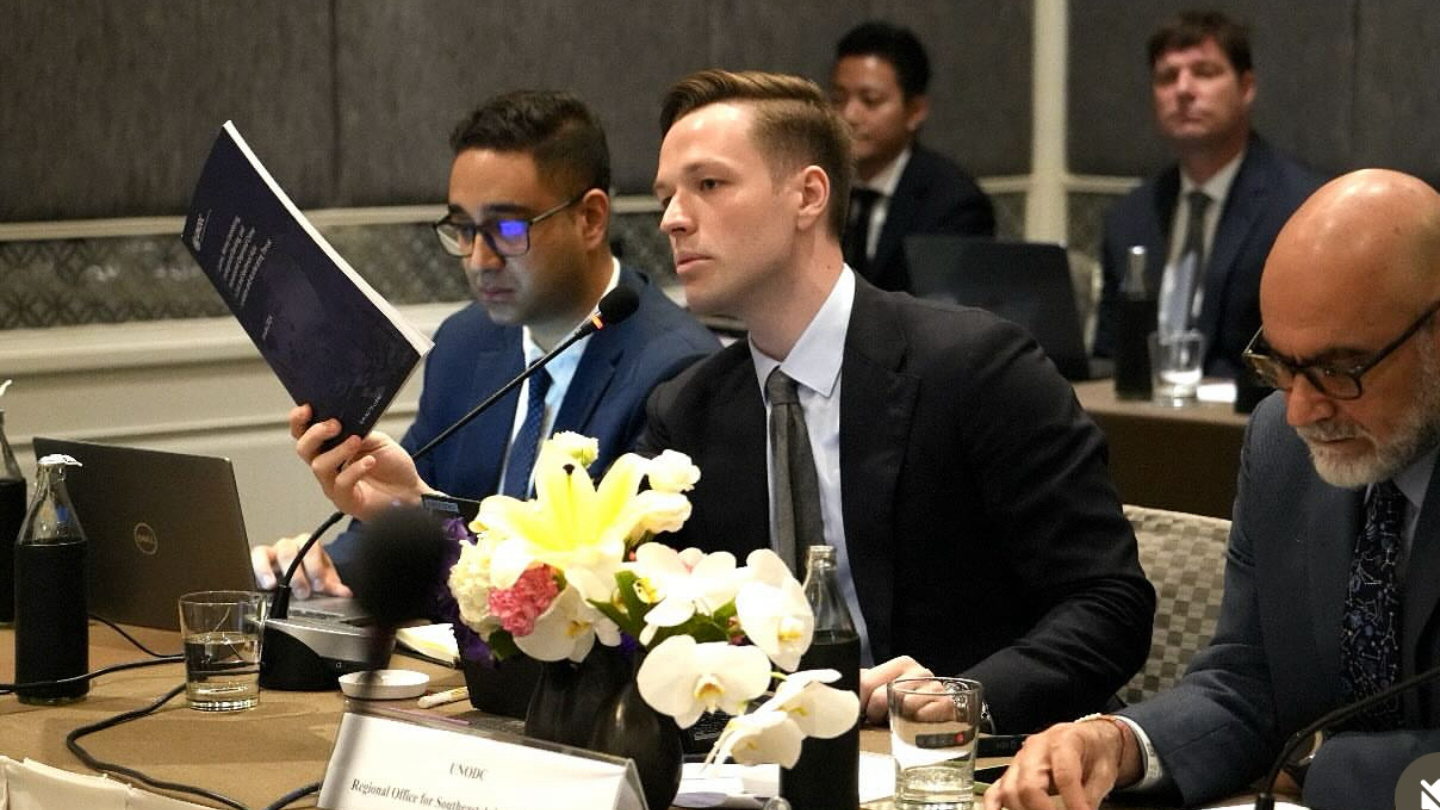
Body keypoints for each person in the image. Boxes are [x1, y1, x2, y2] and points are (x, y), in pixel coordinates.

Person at [640, 68, 1154, 733]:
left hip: (970, 765)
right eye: (666, 196)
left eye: (709, 185)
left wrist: (965, 695)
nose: (673, 220)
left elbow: (1109, 602)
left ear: (808, 196)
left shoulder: (976, 368)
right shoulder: (687, 410)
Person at [987, 169, 1440, 810]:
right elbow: (1247, 681)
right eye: (1280, 364)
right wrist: (1119, 744)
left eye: (1340, 369)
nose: (1302, 411)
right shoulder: (1281, 448)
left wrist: (1320, 766)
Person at [257, 90, 717, 596]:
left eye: (506, 228)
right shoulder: (464, 343)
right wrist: (324, 570)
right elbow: (410, 512)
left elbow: (608, 590)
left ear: (589, 219)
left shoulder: (676, 371)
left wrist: (424, 513)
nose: (479, 259)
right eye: (462, 229)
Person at [1091, 10, 1324, 378]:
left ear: (1246, 88)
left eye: (1204, 72)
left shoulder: (1300, 208)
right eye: (1167, 77)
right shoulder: (1129, 218)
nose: (1183, 90)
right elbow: (1107, 357)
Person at [829, 20, 995, 294]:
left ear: (915, 111)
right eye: (838, 99)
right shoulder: (819, 185)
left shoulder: (954, 203)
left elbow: (946, 312)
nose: (849, 115)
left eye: (870, 100)